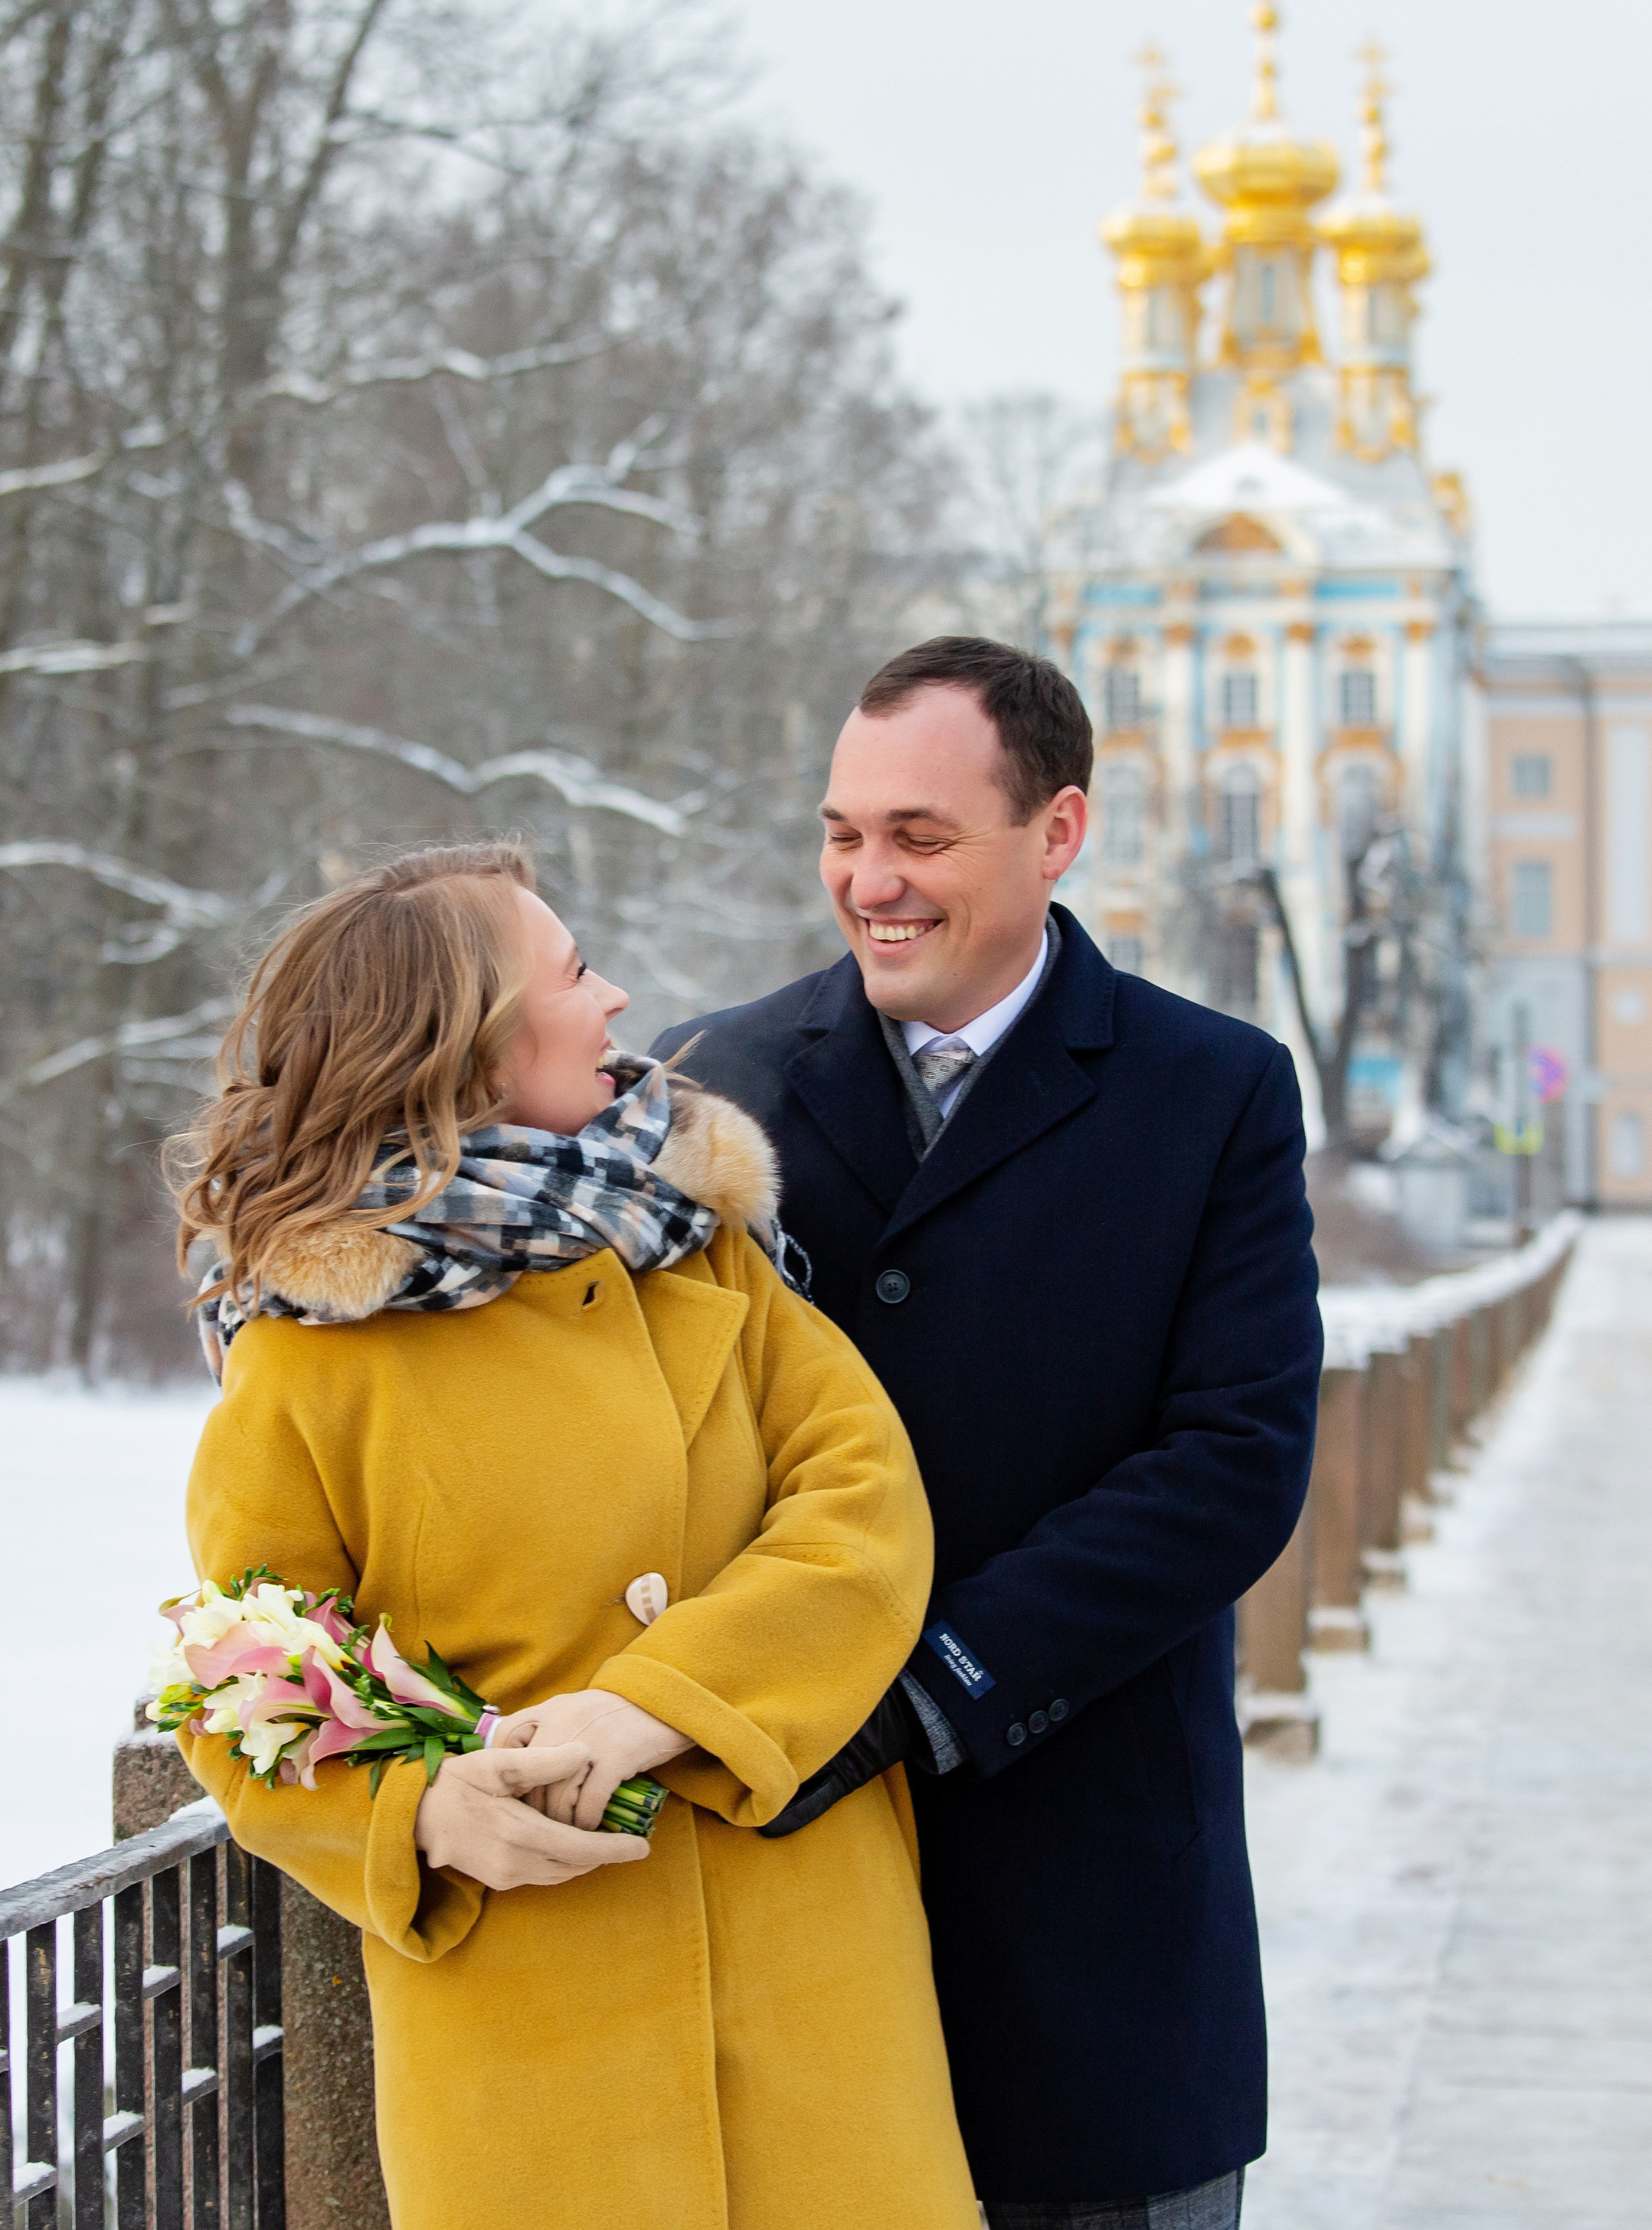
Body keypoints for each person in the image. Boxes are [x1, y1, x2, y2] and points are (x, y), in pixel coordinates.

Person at [168, 842, 977, 2230]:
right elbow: (248, 1672)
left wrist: (657, 1707)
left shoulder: (698, 1246)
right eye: (575, 972)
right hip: (533, 2038)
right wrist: (415, 1813)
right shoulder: (307, 1352)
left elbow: (865, 1511)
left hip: (814, 1989)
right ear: (474, 1045)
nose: (615, 1005)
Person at [652, 638, 1323, 2228]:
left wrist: (932, 1686)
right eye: (841, 833)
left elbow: (1230, 1464)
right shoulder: (713, 1076)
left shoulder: (1211, 1090)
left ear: (1059, 831)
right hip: (785, 1913)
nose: (868, 881)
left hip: (1093, 1936)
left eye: (919, 837)